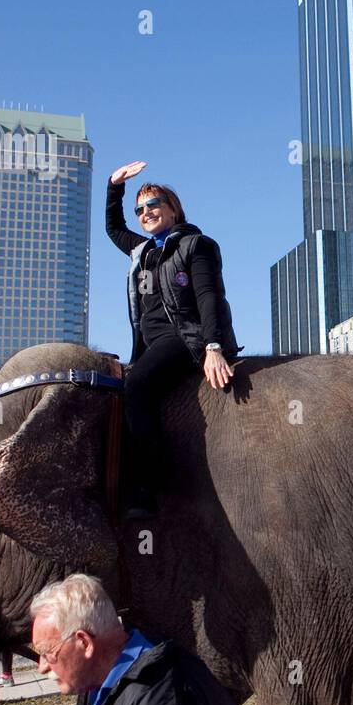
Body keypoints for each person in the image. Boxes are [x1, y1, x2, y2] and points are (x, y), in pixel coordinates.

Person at [105, 161, 242, 510]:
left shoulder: (196, 245)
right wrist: (114, 186)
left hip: (185, 336)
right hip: (149, 344)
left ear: (173, 209)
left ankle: (151, 484)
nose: (146, 212)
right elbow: (113, 228)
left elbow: (209, 297)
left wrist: (212, 346)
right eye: (140, 209)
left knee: (137, 386)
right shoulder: (143, 251)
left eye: (153, 204)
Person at [30, 574, 243, 705]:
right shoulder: (94, 682)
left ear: (84, 643)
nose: (42, 667)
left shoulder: (159, 704)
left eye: (48, 652)